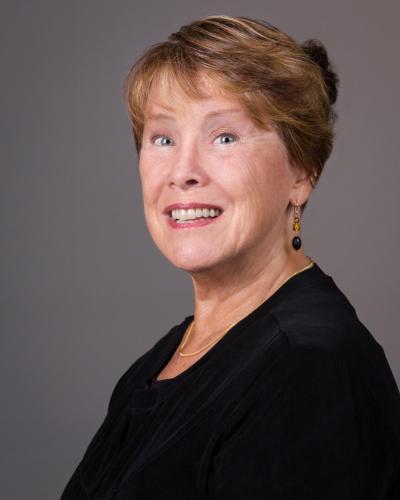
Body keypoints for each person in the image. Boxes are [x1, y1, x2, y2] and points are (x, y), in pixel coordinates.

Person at [61, 15, 400, 499]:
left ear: (301, 172)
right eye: (163, 138)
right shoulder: (170, 356)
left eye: (224, 137)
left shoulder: (309, 370)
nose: (183, 172)